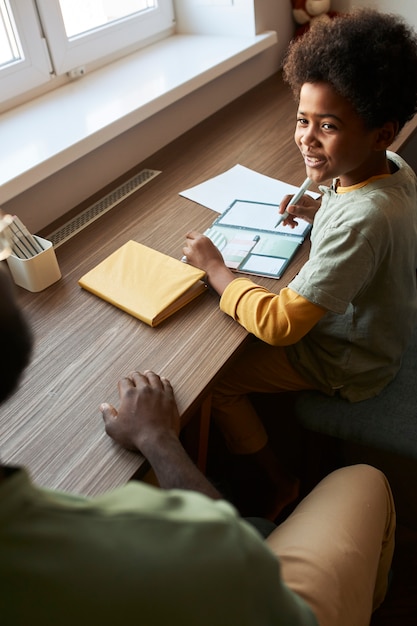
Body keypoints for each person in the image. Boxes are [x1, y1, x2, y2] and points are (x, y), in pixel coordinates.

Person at [0, 229, 395, 626]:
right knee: (366, 480)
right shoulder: (109, 528)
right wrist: (157, 438)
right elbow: (236, 564)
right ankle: (365, 604)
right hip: (270, 605)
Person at [183, 8, 417, 517]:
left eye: (327, 126)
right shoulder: (393, 170)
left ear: (382, 132)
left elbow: (282, 324)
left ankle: (281, 481)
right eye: (301, 119)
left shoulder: (362, 220)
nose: (307, 138)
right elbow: (360, 218)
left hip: (352, 362)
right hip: (383, 329)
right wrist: (319, 209)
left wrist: (218, 271)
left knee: (217, 385)